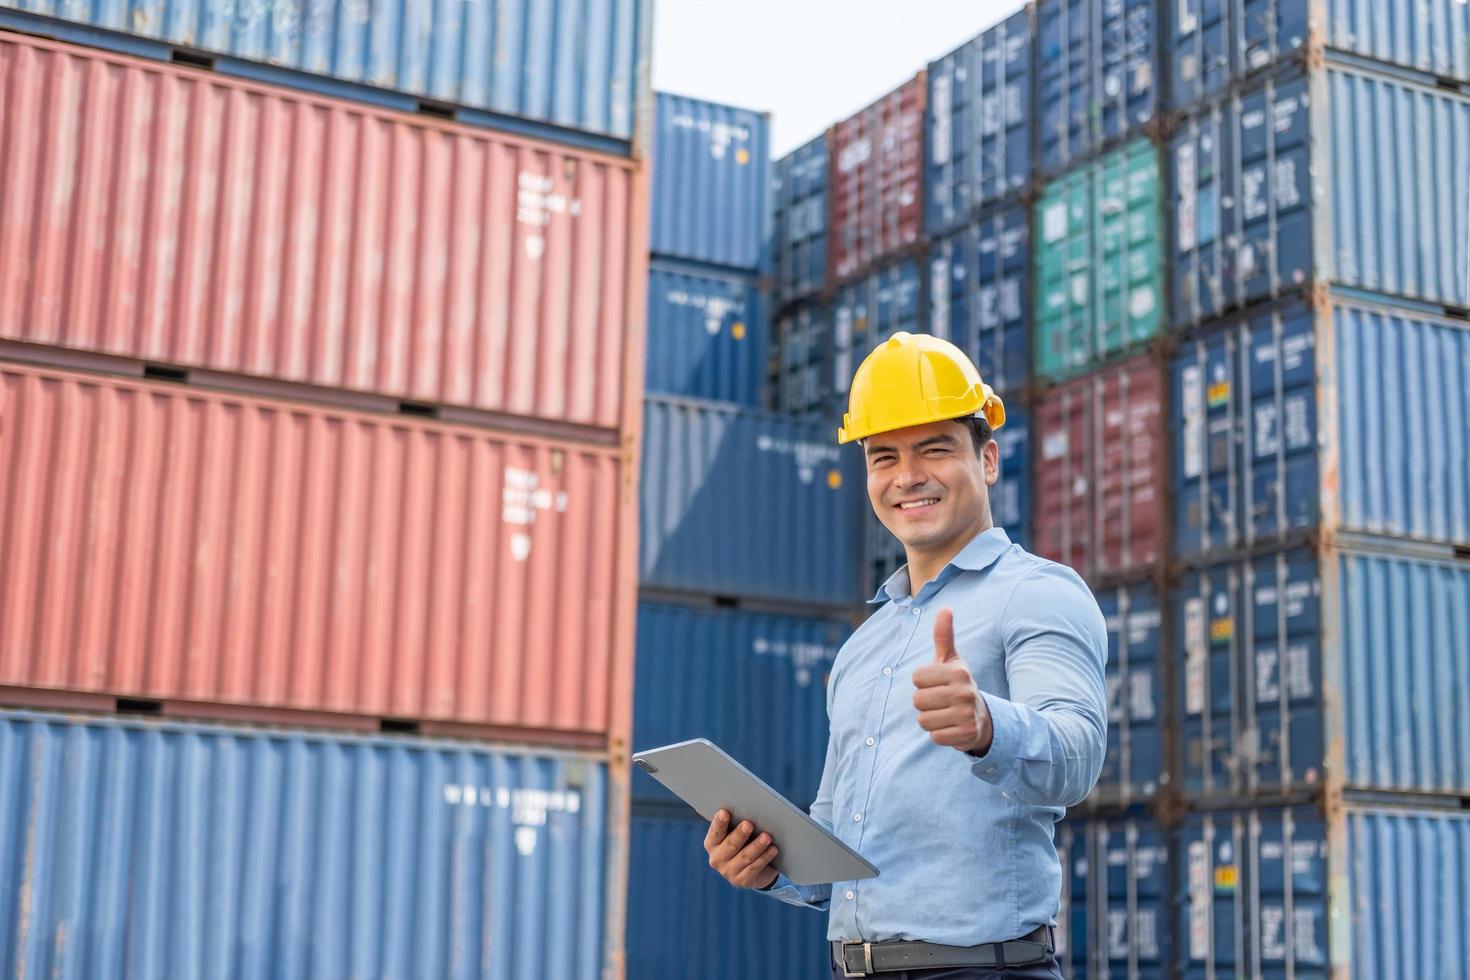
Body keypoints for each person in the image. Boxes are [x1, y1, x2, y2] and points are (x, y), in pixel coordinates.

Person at [703, 332, 1108, 979]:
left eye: (935, 449)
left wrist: (987, 728)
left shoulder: (1037, 592)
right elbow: (838, 842)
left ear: (990, 459)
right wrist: (769, 864)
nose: (907, 476)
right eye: (883, 457)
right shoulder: (865, 645)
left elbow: (1079, 756)